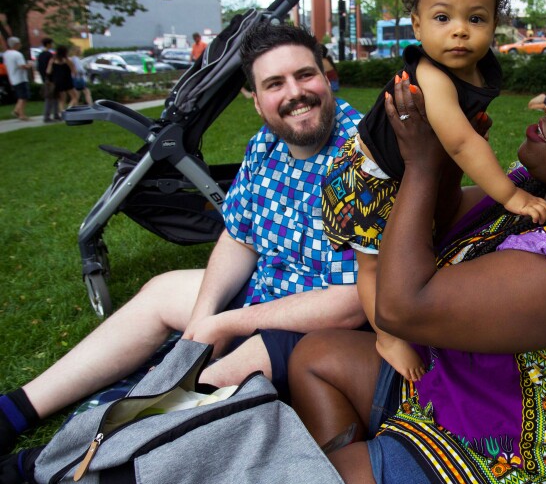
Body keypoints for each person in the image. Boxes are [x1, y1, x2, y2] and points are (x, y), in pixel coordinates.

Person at [289, 73, 546, 484]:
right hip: (461, 390)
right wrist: (450, 160)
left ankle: (371, 468)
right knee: (316, 357)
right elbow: (446, 222)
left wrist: (423, 166)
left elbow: (400, 308)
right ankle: (374, 465)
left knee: (317, 480)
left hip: (503, 461)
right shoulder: (536, 192)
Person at [0, 22, 365, 457]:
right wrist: (202, 318)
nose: (295, 93)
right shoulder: (265, 145)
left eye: (305, 75)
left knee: (196, 387)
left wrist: (224, 325)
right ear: (255, 99)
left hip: (321, 333)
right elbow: (239, 237)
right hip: (265, 297)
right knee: (161, 291)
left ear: (326, 76)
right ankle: (16, 409)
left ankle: (62, 462)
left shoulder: (362, 157)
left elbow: (351, 303)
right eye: (275, 83)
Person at [321, 0, 546, 383]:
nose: (460, 30)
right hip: (364, 179)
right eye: (442, 17)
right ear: (418, 25)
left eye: (476, 18)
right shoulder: (432, 74)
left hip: (402, 175)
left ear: (494, 23)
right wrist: (511, 196)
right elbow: (462, 143)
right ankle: (387, 334)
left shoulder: (478, 68)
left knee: (412, 244)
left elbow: (462, 133)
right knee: (375, 262)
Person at [2, 37, 33, 121]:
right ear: (16, 44)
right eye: (19, 43)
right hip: (20, 78)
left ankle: (17, 111)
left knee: (21, 96)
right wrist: (30, 65)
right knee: (23, 96)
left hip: (12, 77)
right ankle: (21, 114)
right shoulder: (17, 54)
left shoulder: (6, 54)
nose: (20, 45)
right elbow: (22, 66)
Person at [45, 45, 75, 115]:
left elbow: (48, 71)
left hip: (57, 81)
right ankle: (69, 109)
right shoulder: (67, 60)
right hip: (67, 80)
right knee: (74, 97)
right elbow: (73, 70)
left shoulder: (53, 60)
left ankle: (62, 112)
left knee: (61, 99)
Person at [35, 38, 58, 121]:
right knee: (51, 97)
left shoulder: (40, 55)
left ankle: (55, 114)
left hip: (45, 78)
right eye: (51, 43)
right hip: (51, 79)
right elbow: (51, 68)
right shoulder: (49, 55)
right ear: (48, 44)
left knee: (52, 97)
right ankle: (48, 116)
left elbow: (38, 67)